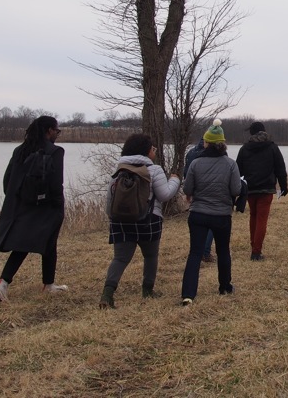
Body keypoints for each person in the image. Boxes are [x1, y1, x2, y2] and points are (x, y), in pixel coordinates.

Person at [0, 116, 68, 302]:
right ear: (49, 130)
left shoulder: (20, 150)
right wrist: (58, 205)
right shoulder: (55, 152)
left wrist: (17, 199)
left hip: (20, 205)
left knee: (44, 243)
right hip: (46, 206)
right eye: (56, 131)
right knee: (25, 246)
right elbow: (57, 183)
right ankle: (2, 284)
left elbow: (7, 181)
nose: (57, 134)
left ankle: (48, 284)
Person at [99, 133, 181, 308]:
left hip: (120, 221)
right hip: (148, 221)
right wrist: (175, 180)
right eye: (152, 148)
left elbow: (109, 200)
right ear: (146, 151)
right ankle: (147, 291)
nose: (154, 151)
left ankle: (107, 294)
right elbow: (165, 195)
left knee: (120, 259)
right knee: (150, 256)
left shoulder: (119, 168)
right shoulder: (154, 170)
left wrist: (113, 217)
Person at [180, 120, 242, 305]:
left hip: (198, 214)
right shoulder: (231, 164)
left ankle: (188, 294)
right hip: (222, 215)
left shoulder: (196, 163)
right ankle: (225, 287)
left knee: (195, 253)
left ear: (206, 143)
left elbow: (187, 189)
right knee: (223, 251)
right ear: (222, 144)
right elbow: (236, 190)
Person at [236, 121, 288, 261]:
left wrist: (236, 188)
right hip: (266, 189)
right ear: (264, 131)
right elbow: (280, 169)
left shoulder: (244, 148)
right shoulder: (272, 147)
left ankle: (254, 245)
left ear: (252, 133)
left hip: (250, 189)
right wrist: (283, 186)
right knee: (261, 219)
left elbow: (237, 170)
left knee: (253, 216)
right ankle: (256, 252)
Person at [183, 139, 215, 264]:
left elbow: (186, 172)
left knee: (197, 224)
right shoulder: (219, 155)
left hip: (196, 195)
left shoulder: (191, 153)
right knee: (211, 224)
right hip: (213, 195)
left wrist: (188, 192)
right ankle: (205, 253)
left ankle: (196, 252)